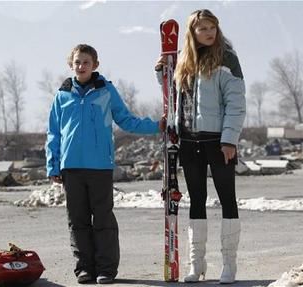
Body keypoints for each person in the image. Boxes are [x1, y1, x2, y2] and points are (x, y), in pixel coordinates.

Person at [46, 44, 163, 284]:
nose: (81, 66)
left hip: (100, 166)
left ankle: (106, 270)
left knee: (103, 219)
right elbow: (53, 133)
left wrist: (156, 126)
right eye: (77, 62)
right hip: (72, 168)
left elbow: (126, 120)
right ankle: (84, 269)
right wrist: (53, 165)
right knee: (77, 220)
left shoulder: (106, 91)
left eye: (86, 62)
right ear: (71, 65)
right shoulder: (62, 95)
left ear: (95, 65)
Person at [155, 9, 246, 284]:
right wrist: (162, 70)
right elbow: (173, 96)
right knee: (196, 201)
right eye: (202, 28)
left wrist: (230, 139)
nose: (208, 33)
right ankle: (197, 263)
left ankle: (229, 264)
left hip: (218, 143)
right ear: (192, 33)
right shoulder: (184, 60)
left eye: (212, 28)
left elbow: (236, 103)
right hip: (188, 142)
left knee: (227, 199)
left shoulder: (227, 59)